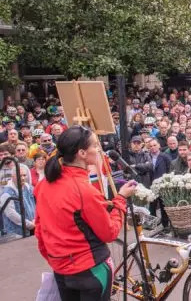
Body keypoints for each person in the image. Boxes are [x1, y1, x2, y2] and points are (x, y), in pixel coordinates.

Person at [35, 126, 138, 301]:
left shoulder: (44, 184)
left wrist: (55, 259)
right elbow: (110, 232)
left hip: (60, 267)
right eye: (95, 146)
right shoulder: (83, 190)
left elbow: (40, 229)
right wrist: (120, 199)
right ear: (82, 153)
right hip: (90, 268)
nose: (98, 150)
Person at [0, 166, 36, 236]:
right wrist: (29, 224)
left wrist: (35, 220)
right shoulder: (7, 193)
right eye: (19, 175)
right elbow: (11, 214)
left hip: (32, 228)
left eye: (24, 175)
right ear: (12, 176)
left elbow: (35, 205)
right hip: (15, 234)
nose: (22, 178)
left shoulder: (29, 188)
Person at [147, 139, 172, 229]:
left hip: (163, 186)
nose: (153, 147)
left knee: (163, 206)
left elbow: (170, 169)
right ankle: (152, 224)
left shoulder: (165, 156)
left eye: (154, 145)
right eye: (151, 146)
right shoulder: (148, 157)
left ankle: (166, 225)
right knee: (152, 206)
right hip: (151, 186)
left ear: (159, 146)